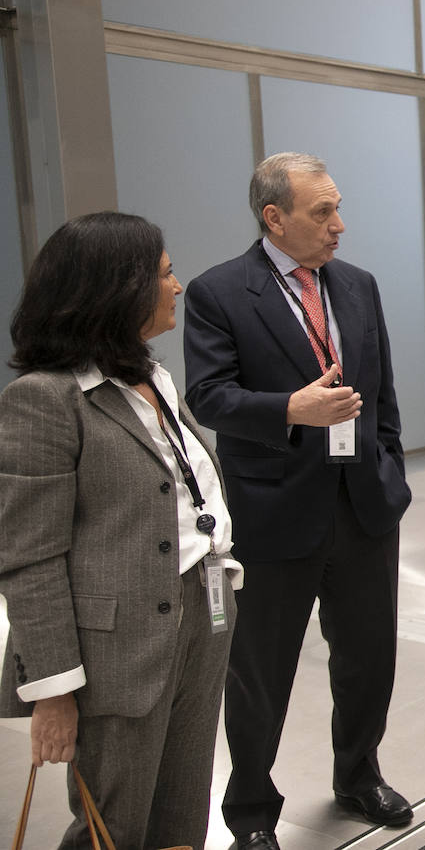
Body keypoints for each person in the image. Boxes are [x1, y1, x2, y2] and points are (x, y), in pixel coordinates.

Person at [183, 152, 413, 848]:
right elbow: (209, 395)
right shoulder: (218, 292)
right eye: (322, 213)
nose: (339, 225)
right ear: (273, 217)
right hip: (274, 514)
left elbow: (382, 396)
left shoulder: (358, 286)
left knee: (368, 659)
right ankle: (251, 808)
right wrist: (291, 408)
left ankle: (358, 773)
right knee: (260, 673)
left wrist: (391, 468)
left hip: (364, 507)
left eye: (338, 207)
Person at [0, 212, 241, 848]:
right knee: (114, 826)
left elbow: (182, 489)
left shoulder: (152, 378)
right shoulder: (47, 399)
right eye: (165, 274)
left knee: (183, 812)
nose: (178, 286)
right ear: (118, 290)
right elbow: (30, 559)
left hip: (202, 615)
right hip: (114, 650)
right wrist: (52, 693)